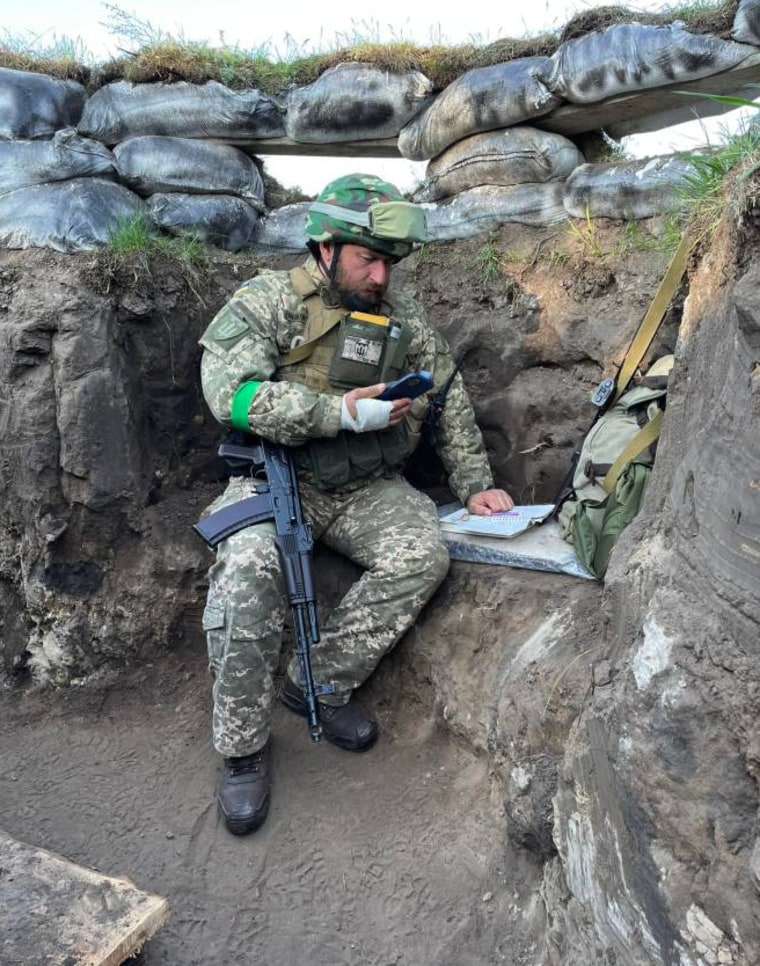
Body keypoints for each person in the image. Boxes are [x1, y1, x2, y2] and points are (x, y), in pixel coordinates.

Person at [198, 173, 513, 835]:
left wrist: (474, 483)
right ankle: (243, 745)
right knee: (249, 571)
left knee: (422, 551)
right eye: (367, 259)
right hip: (278, 478)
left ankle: (317, 683)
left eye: (387, 263)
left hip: (364, 488)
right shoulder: (267, 304)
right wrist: (336, 412)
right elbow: (234, 396)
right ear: (324, 247)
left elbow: (447, 394)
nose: (379, 276)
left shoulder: (400, 319)